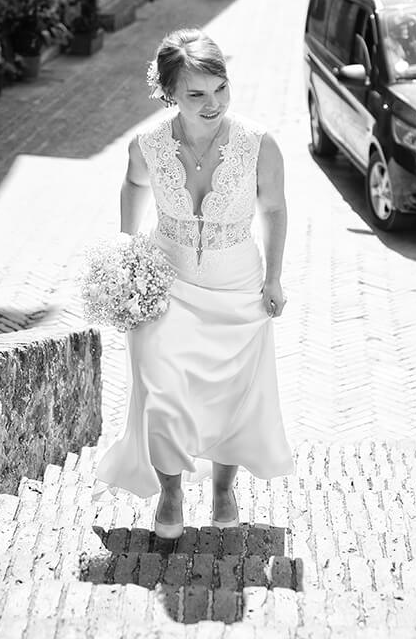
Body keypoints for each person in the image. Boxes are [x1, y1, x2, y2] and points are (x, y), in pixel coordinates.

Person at [94, 28, 294, 537]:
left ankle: (224, 489)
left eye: (220, 88)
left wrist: (273, 278)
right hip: (168, 286)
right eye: (196, 94)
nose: (213, 104)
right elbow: (133, 185)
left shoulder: (259, 144)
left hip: (238, 286)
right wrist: (125, 245)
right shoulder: (148, 146)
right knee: (161, 390)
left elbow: (273, 209)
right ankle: (171, 493)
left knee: (233, 394)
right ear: (170, 95)